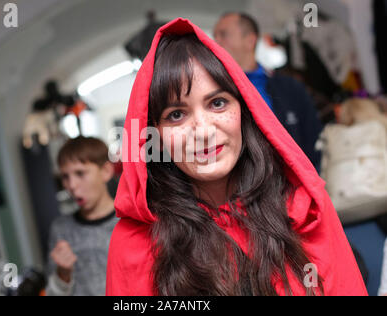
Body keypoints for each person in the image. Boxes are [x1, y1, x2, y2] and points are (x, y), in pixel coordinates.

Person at [105, 18, 367, 296]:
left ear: (245, 111)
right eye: (177, 115)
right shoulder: (134, 244)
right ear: (154, 134)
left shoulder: (303, 207)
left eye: (217, 103)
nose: (203, 131)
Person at [214, 12, 323, 172]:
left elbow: (314, 142)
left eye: (223, 35)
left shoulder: (290, 88)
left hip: (294, 184)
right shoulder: (214, 92)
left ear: (250, 41)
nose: (216, 42)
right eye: (215, 36)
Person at [46, 136, 118, 296]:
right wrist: (63, 275)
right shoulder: (61, 229)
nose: (71, 185)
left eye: (80, 173)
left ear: (106, 171)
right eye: (65, 177)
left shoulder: (132, 219)